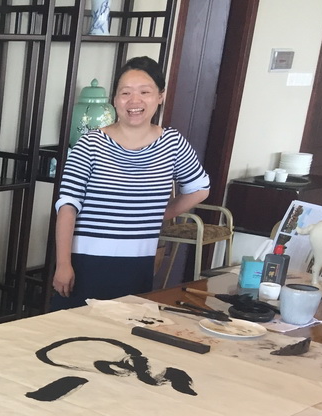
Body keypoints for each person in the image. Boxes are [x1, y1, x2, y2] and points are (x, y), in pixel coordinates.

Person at [51, 56, 211, 310]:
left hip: (139, 262)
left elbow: (199, 188)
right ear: (115, 99)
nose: (134, 101)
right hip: (85, 262)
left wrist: (160, 213)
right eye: (125, 93)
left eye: (144, 92)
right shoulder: (90, 144)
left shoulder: (172, 143)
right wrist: (63, 264)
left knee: (128, 339)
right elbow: (67, 207)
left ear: (160, 96)